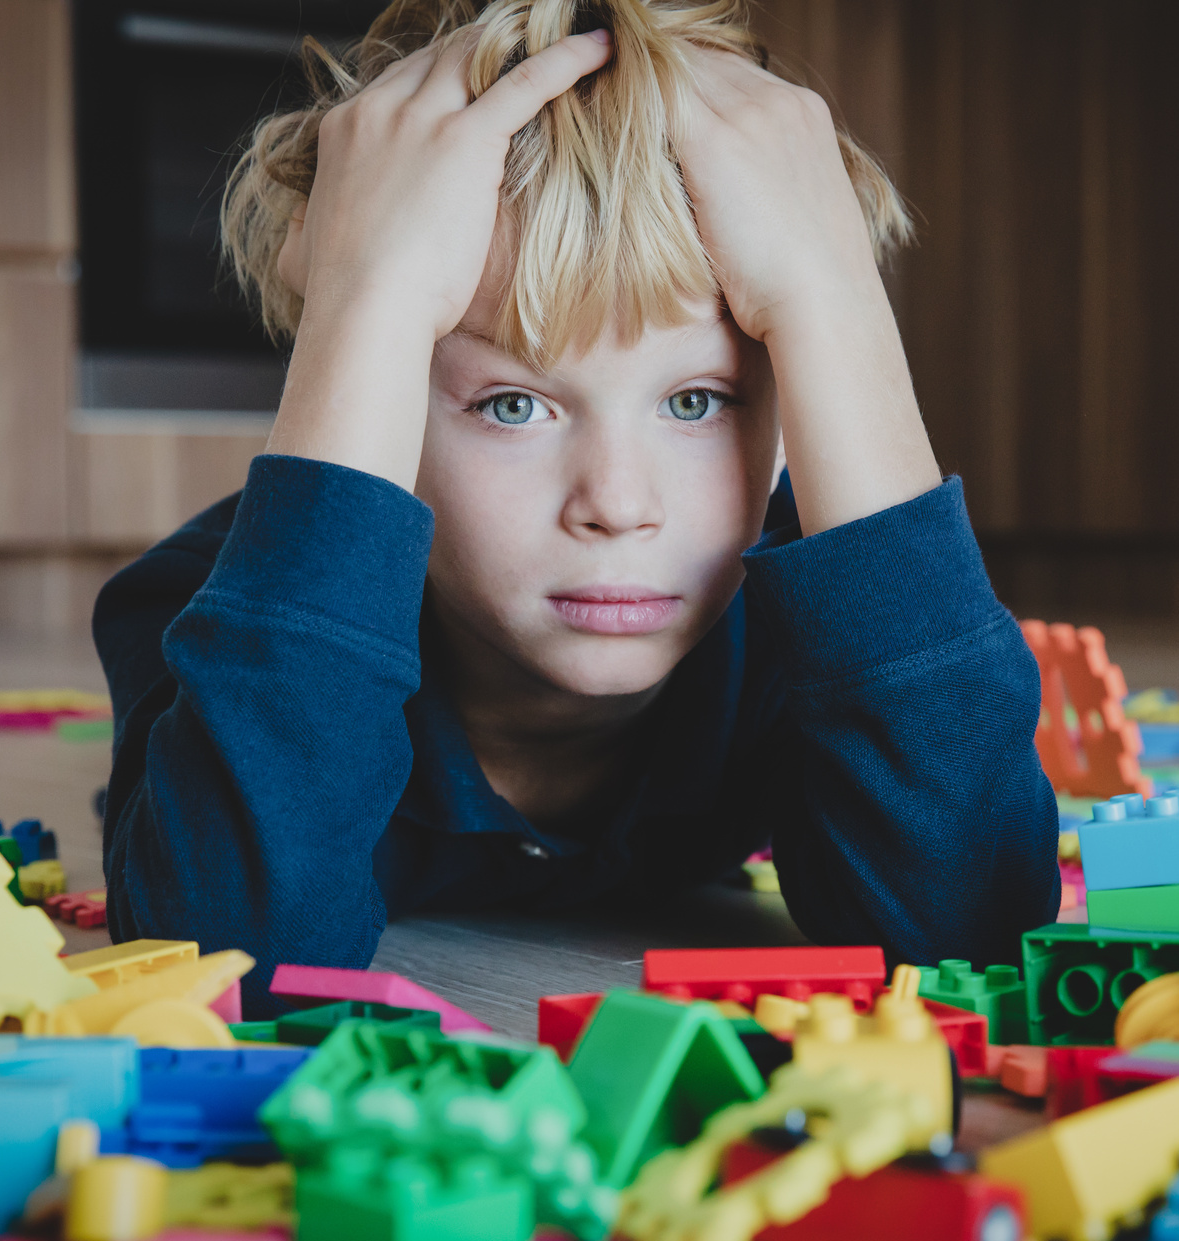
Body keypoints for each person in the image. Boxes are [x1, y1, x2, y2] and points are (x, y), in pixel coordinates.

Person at [94, 0, 1059, 1016]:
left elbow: (971, 931)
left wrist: (834, 298)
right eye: (513, 404)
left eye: (697, 401)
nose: (619, 505)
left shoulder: (811, 630)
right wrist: (364, 297)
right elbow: (225, 959)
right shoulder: (212, 608)